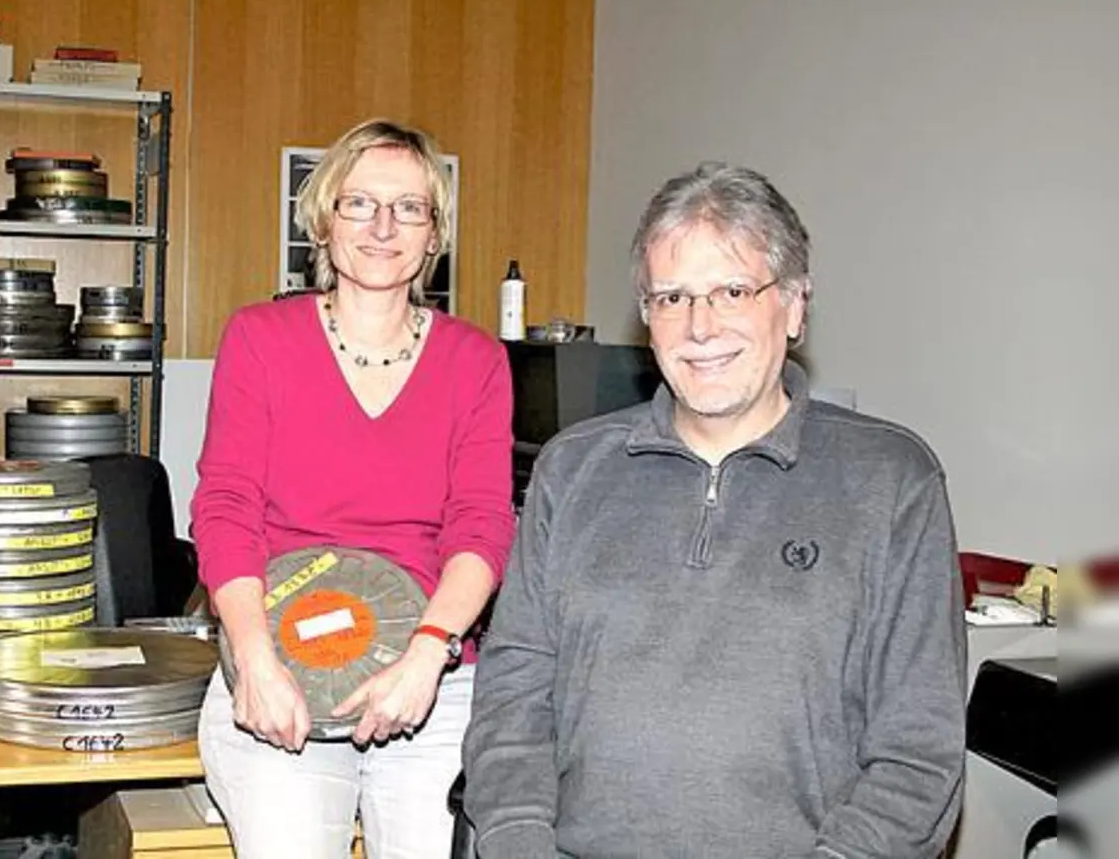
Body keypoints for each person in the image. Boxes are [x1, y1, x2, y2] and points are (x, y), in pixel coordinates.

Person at [463, 161, 967, 858]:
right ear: (647, 319)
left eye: (732, 290)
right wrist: (519, 844)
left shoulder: (893, 482)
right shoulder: (570, 471)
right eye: (671, 297)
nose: (699, 327)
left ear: (793, 306)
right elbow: (511, 703)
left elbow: (920, 752)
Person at [191, 118, 515, 859]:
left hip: (430, 677)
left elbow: (482, 525)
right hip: (278, 670)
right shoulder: (259, 339)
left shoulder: (476, 361)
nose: (382, 227)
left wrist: (429, 654)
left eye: (410, 208)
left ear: (434, 235)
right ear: (323, 219)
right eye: (360, 203)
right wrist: (254, 660)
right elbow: (226, 506)